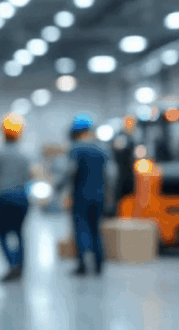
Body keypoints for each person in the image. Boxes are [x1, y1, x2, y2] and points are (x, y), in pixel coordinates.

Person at [56, 114, 111, 276]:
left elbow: (69, 171)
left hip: (81, 196)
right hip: (99, 196)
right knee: (96, 230)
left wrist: (58, 187)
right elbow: (110, 175)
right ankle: (99, 264)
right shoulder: (102, 149)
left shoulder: (75, 149)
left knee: (81, 229)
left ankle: (83, 265)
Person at [0, 113, 32, 282]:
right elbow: (29, 175)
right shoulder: (25, 153)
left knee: (1, 233)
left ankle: (12, 265)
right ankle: (20, 266)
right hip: (22, 197)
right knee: (19, 233)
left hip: (5, 197)